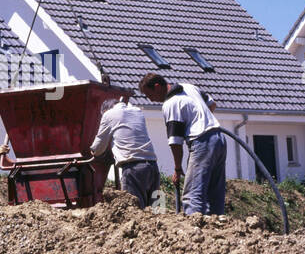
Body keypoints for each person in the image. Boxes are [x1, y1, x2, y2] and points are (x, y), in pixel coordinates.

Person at [138, 73, 227, 215]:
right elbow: (212, 104)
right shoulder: (188, 87)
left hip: (201, 141)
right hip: (218, 138)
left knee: (192, 195)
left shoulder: (170, 104)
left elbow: (175, 142)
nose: (152, 100)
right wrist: (202, 121)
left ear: (157, 87)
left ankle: (193, 233)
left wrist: (178, 169)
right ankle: (219, 228)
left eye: (150, 95)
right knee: (215, 192)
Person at [90, 93, 161, 208]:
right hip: (153, 167)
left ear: (106, 110)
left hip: (133, 169)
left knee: (134, 210)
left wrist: (92, 152)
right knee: (158, 210)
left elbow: (98, 148)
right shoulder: (137, 111)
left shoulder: (108, 114)